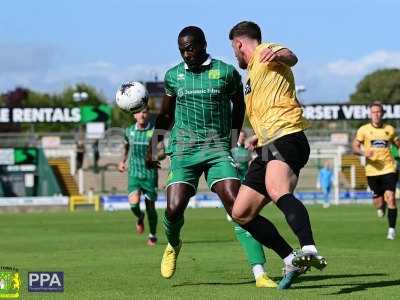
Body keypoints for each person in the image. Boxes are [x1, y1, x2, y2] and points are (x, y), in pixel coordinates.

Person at [147, 26, 296, 288]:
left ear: (203, 45)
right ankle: (173, 243)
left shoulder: (225, 73)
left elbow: (240, 105)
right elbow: (166, 115)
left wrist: (234, 135)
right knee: (174, 207)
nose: (186, 53)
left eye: (190, 48)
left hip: (217, 149)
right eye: (182, 49)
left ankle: (260, 272)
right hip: (184, 149)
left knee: (237, 206)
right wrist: (154, 145)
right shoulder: (174, 76)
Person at [228, 21, 327, 287]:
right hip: (267, 144)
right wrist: (255, 137)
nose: (234, 54)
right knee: (241, 212)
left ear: (239, 43)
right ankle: (288, 257)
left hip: (288, 135)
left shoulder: (265, 51)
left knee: (277, 189)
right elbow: (266, 111)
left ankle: (308, 248)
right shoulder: (251, 77)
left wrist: (279, 55)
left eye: (233, 49)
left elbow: (291, 57)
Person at [352, 101, 400, 240]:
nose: (376, 114)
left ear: (382, 113)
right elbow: (355, 146)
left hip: (388, 168)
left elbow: (397, 143)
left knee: (391, 197)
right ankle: (381, 206)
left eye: (378, 112)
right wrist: (363, 153)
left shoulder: (389, 129)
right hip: (372, 171)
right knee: (378, 202)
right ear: (370, 114)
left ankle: (391, 229)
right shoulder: (363, 130)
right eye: (373, 112)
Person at [119, 106, 164, 246]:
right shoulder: (129, 131)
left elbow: (163, 151)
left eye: (144, 112)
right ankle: (140, 216)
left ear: (148, 114)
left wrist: (155, 156)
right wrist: (122, 161)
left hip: (150, 174)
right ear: (134, 115)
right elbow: (126, 147)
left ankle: (152, 235)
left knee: (151, 207)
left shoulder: (154, 132)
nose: (142, 115)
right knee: (133, 205)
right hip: (134, 173)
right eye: (139, 112)